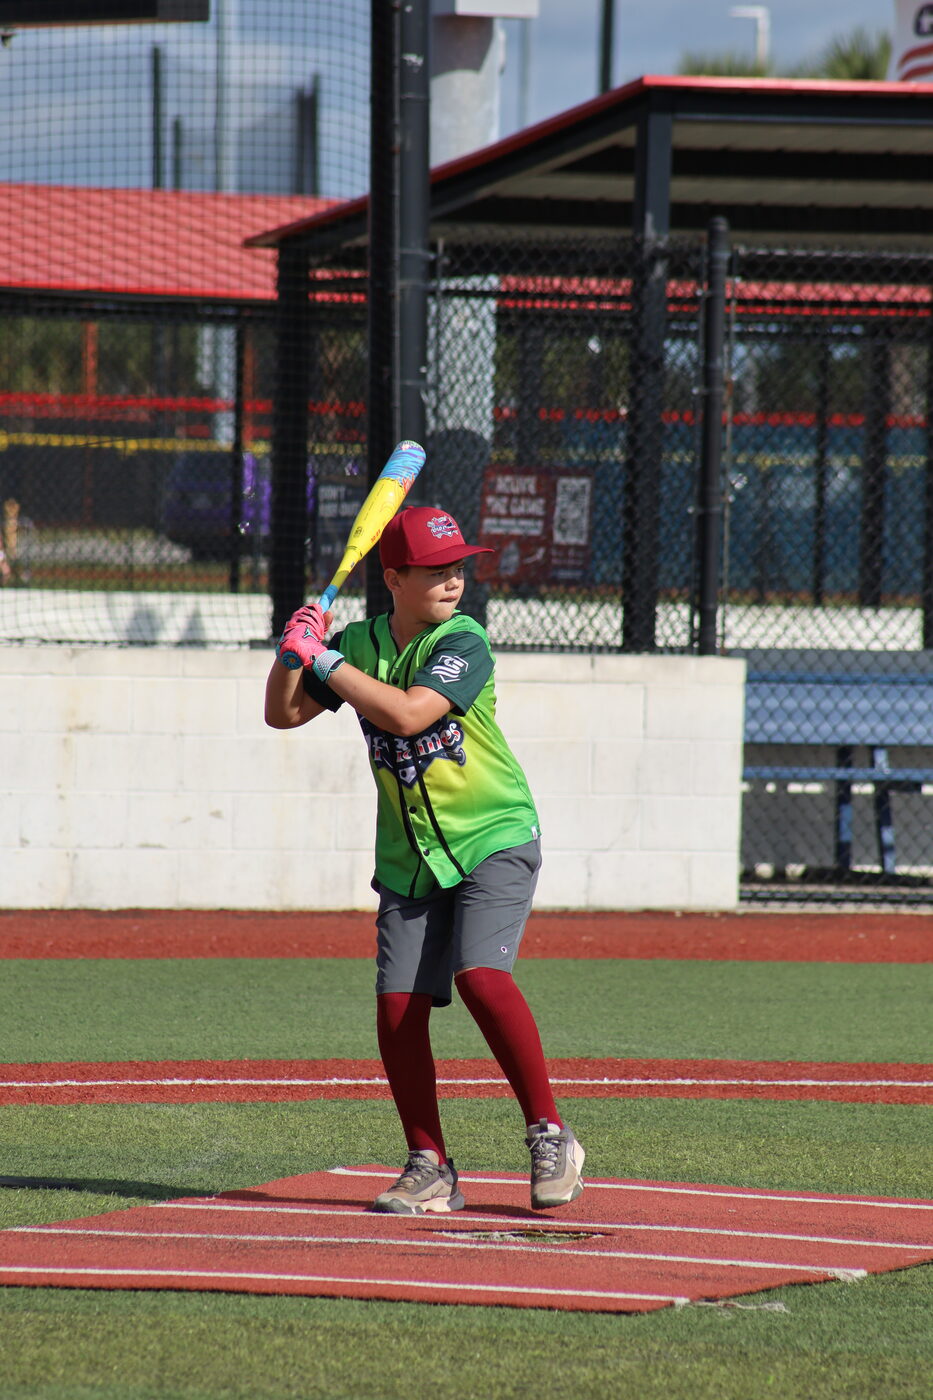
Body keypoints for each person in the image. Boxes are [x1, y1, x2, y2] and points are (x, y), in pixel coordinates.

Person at [264, 504, 584, 1216]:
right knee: (398, 1006)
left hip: (490, 836)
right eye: (434, 569)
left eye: (458, 566)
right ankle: (429, 1163)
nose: (452, 579)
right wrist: (293, 645)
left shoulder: (464, 640)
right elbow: (282, 712)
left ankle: (550, 1132)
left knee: (480, 977)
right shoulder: (360, 642)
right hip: (411, 858)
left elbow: (408, 714)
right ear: (393, 578)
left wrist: (323, 659)